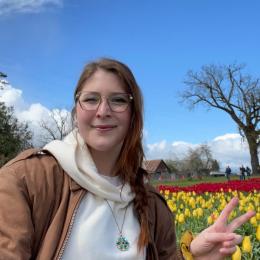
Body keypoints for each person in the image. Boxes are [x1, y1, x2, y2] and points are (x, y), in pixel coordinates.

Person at [0, 58, 255, 260]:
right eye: (90, 99)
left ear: (133, 115)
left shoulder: (151, 204)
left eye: (118, 101)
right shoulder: (26, 182)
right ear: (76, 111)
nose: (103, 111)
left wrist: (194, 257)